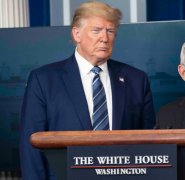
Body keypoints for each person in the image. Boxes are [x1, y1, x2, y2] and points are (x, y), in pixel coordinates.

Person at [19, 1, 155, 179]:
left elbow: (150, 145)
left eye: (111, 31)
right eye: (96, 30)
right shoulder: (44, 80)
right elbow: (31, 148)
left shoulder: (136, 80)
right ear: (77, 34)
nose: (105, 38)